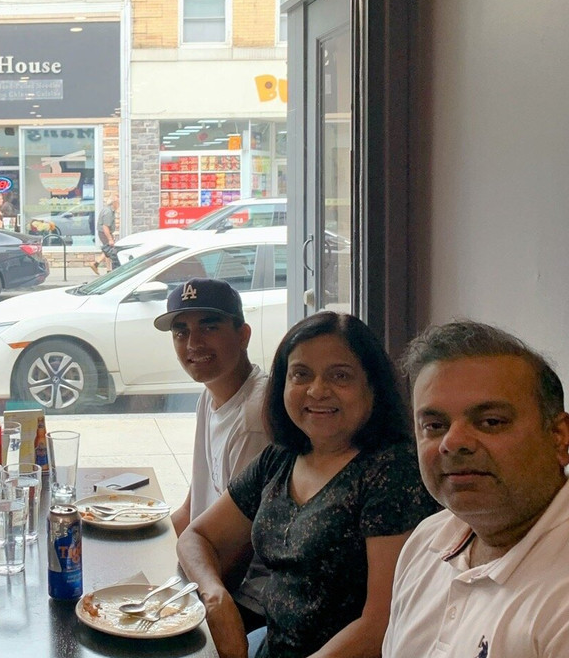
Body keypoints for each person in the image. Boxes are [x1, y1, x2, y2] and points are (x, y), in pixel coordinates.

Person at [178, 311, 439, 658]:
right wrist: (215, 597)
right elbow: (197, 537)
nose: (317, 390)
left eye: (340, 375)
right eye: (301, 374)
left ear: (372, 385)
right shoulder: (282, 458)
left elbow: (381, 625)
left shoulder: (392, 471)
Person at [383, 321, 569, 657]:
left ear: (559, 437)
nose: (453, 442)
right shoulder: (426, 541)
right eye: (434, 426)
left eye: (491, 422)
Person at [154, 278, 271, 629]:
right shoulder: (210, 396)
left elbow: (235, 554)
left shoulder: (254, 417)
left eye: (209, 327)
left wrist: (169, 599)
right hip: (209, 572)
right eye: (181, 332)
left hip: (246, 600)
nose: (193, 343)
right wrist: (139, 556)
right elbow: (192, 509)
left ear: (243, 335)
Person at [92, 195, 119, 274]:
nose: (118, 204)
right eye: (117, 202)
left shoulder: (108, 209)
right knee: (110, 250)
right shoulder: (108, 212)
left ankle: (108, 269)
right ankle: (96, 263)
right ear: (113, 203)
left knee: (108, 250)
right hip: (104, 233)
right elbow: (105, 227)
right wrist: (110, 239)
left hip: (104, 232)